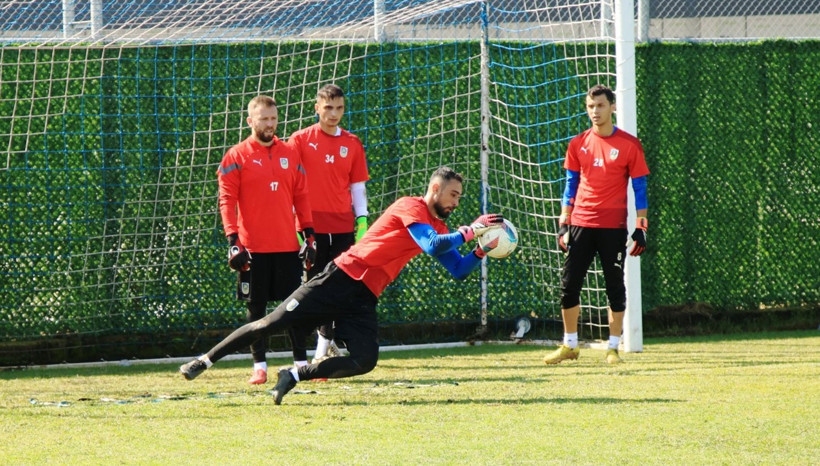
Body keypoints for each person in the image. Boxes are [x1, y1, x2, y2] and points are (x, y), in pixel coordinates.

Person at [180, 166, 504, 405]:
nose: (456, 201)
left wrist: (482, 249)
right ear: (435, 188)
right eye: (453, 194)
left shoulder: (441, 225)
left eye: (459, 196)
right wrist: (471, 231)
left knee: (365, 360)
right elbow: (432, 244)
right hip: (339, 278)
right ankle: (204, 360)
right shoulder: (412, 206)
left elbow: (458, 268)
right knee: (270, 323)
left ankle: (293, 375)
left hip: (363, 297)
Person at [543, 84, 649, 365]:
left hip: (613, 227)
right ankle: (570, 345)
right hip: (580, 224)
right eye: (590, 106)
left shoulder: (629, 144)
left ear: (612, 107)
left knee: (614, 286)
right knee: (569, 285)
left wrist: (641, 226)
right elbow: (570, 184)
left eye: (600, 106)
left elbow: (640, 187)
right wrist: (564, 222)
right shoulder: (578, 143)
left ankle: (613, 348)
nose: (595, 112)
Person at [216, 95, 316, 385]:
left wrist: (308, 233)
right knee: (256, 310)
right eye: (263, 119)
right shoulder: (236, 156)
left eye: (273, 118)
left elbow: (301, 196)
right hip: (253, 248)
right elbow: (227, 200)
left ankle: (301, 363)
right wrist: (233, 239)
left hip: (287, 247)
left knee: (295, 308)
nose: (269, 124)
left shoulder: (290, 153)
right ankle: (259, 366)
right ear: (250, 121)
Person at [285, 84, 370, 368]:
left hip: (344, 226)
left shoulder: (353, 143)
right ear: (317, 108)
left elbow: (357, 187)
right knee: (310, 288)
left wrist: (362, 220)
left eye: (339, 108)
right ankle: (300, 352)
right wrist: (295, 223)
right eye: (328, 108)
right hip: (311, 227)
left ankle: (323, 348)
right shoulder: (299, 140)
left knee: (338, 286)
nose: (334, 114)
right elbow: (290, 185)